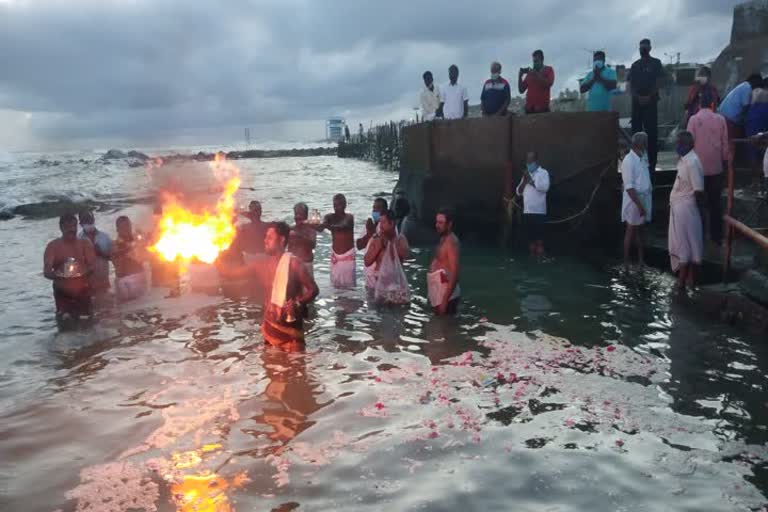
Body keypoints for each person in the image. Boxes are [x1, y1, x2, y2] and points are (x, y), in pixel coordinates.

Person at [218, 222, 319, 351]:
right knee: (270, 369)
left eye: (270, 237)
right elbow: (230, 274)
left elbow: (313, 290)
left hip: (292, 334)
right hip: (270, 331)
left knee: (295, 369)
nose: (265, 241)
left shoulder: (294, 264)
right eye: (265, 237)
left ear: (282, 240)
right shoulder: (259, 265)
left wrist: (298, 303)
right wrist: (215, 257)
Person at [687, 93, 729, 245]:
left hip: (697, 170)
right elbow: (725, 146)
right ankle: (717, 237)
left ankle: (700, 237)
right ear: (713, 104)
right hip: (716, 168)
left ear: (699, 104)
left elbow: (687, 144)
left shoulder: (693, 119)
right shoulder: (721, 119)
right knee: (715, 204)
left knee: (698, 204)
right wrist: (725, 164)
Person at [668, 131, 705, 290]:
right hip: (679, 207)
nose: (676, 147)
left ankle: (683, 284)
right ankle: (686, 282)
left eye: (678, 144)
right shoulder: (684, 160)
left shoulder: (693, 162)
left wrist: (699, 209)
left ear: (686, 145)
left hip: (687, 208)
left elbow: (698, 189)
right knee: (686, 245)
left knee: (688, 246)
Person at [43, 214, 97, 324]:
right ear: (61, 228)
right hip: (62, 293)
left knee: (87, 323)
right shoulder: (53, 246)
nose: (71, 230)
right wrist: (62, 274)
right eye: (68, 227)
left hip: (83, 290)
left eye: (74, 226)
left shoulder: (85, 243)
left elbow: (92, 266)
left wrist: (80, 272)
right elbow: (47, 272)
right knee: (65, 324)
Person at [628, 38, 667, 176]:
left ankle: (651, 165)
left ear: (650, 48)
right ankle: (635, 163)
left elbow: (660, 81)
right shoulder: (634, 65)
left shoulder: (656, 63)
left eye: (645, 46)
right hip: (637, 103)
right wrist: (638, 97)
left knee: (651, 134)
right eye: (640, 47)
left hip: (651, 102)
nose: (642, 49)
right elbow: (630, 85)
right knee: (636, 133)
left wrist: (649, 96)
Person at [363, 210, 410, 304]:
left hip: (396, 286)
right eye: (380, 222)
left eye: (383, 222)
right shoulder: (376, 240)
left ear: (392, 223)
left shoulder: (401, 240)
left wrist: (391, 243)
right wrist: (378, 246)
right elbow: (367, 262)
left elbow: (406, 256)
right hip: (379, 286)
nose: (380, 226)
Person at [620, 132, 652, 269]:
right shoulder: (628, 160)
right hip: (634, 200)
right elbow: (629, 187)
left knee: (640, 230)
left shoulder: (643, 156)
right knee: (631, 229)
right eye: (645, 143)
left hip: (644, 196)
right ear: (640, 145)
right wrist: (639, 205)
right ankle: (626, 262)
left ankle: (640, 261)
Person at [516, 151, 550, 256]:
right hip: (527, 211)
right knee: (530, 240)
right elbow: (518, 192)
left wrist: (530, 180)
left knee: (539, 241)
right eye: (527, 161)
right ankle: (531, 258)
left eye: (531, 160)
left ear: (536, 161)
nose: (529, 163)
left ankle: (540, 259)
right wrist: (524, 181)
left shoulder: (543, 173)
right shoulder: (526, 174)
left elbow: (544, 188)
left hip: (539, 212)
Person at [317, 193, 356, 288]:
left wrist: (328, 226)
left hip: (348, 258)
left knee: (349, 289)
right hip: (335, 258)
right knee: (335, 287)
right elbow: (321, 227)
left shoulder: (349, 217)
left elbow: (342, 227)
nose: (336, 207)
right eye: (334, 205)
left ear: (345, 205)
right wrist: (315, 224)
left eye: (339, 205)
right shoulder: (330, 216)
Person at [428, 208, 460, 315]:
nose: (437, 225)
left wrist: (445, 300)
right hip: (439, 291)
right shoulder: (442, 238)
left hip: (446, 295)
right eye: (437, 222)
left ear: (449, 224)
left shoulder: (451, 242)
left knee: (445, 328)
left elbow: (455, 273)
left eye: (441, 223)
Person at [112, 216, 148, 302]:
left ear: (130, 226)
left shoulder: (137, 240)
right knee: (125, 310)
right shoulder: (114, 245)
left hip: (138, 278)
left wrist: (143, 241)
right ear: (117, 229)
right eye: (123, 227)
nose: (126, 229)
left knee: (142, 307)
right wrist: (128, 249)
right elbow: (116, 261)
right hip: (122, 281)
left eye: (127, 226)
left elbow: (144, 258)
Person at [718, 74, 763, 142]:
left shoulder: (743, 85)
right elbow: (746, 109)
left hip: (724, 117)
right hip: (728, 120)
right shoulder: (747, 87)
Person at [78, 209, 112, 297]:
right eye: (85, 220)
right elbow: (77, 264)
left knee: (108, 307)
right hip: (88, 286)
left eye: (90, 220)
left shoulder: (105, 237)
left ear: (94, 220)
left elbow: (113, 257)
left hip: (104, 282)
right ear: (81, 224)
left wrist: (100, 253)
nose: (89, 222)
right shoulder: (78, 240)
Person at [357, 197, 389, 289]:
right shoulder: (370, 224)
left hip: (380, 274)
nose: (375, 211)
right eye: (373, 208)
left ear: (385, 210)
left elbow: (385, 245)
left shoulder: (387, 226)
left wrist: (372, 232)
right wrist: (368, 233)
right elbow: (359, 245)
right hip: (369, 274)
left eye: (378, 208)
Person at [746, 78, 768, 186]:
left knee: (753, 153)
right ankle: (761, 182)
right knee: (763, 153)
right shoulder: (765, 94)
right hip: (761, 125)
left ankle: (755, 182)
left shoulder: (755, 92)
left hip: (751, 125)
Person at [518, 50, 555, 114]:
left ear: (542, 60)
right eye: (534, 61)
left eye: (536, 61)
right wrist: (520, 77)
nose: (535, 63)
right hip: (529, 110)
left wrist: (536, 74)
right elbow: (521, 90)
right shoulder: (530, 73)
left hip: (543, 110)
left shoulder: (549, 70)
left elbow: (549, 83)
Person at [288, 202, 317, 278]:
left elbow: (313, 244)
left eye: (300, 214)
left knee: (309, 288)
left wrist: (299, 236)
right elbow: (288, 248)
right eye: (296, 214)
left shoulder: (310, 229)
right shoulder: (291, 229)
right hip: (293, 265)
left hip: (306, 265)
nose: (298, 216)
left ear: (306, 216)